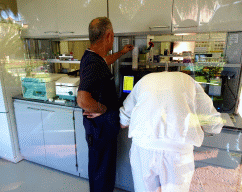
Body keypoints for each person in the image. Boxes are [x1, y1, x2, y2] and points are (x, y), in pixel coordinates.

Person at [119, 71, 223, 192]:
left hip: (144, 147)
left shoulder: (145, 80)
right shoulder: (188, 81)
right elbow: (214, 123)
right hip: (177, 149)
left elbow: (123, 119)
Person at [77, 17, 134, 192]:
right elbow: (82, 99)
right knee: (102, 171)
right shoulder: (94, 63)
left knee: (100, 168)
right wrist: (103, 109)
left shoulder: (93, 57)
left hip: (100, 129)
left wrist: (122, 52)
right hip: (100, 129)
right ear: (109, 36)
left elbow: (105, 62)